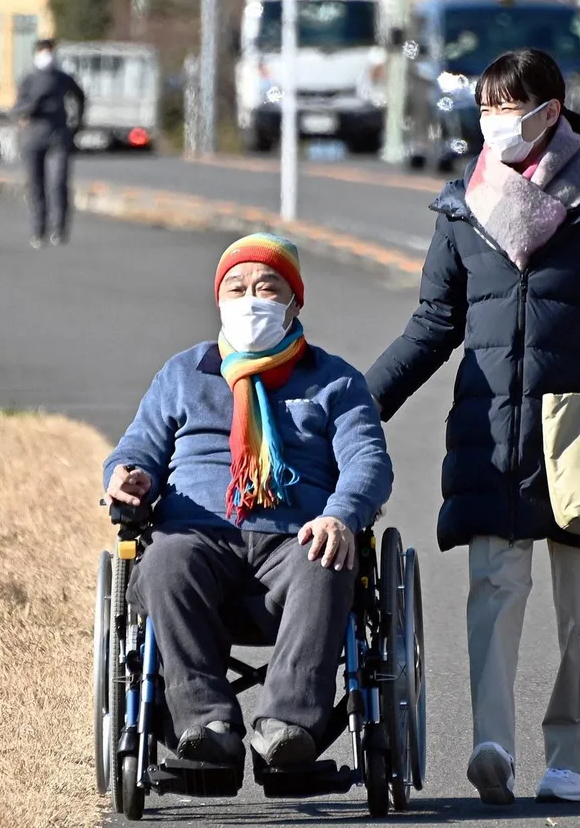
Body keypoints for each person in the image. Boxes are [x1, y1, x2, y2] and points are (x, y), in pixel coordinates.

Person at [365, 49, 580, 805]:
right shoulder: (463, 207)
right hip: (493, 435)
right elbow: (432, 327)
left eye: (509, 106)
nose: (495, 122)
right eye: (486, 108)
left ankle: (572, 755)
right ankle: (492, 744)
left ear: (551, 110)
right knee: (493, 595)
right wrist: (357, 401)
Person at [103, 233, 392, 769]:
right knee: (164, 560)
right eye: (235, 289)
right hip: (197, 539)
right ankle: (205, 723)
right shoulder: (183, 374)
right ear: (218, 301)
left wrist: (340, 515)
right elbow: (137, 448)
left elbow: (368, 462)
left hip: (296, 542)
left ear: (294, 302)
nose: (250, 300)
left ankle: (286, 725)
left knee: (328, 560)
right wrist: (127, 477)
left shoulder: (335, 382)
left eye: (266, 287)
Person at [12, 39, 86, 249]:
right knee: (36, 185)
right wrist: (27, 111)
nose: (47, 56)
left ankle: (59, 230)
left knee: (58, 183)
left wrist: (77, 124)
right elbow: (17, 107)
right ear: (36, 55)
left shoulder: (63, 78)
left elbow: (80, 96)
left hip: (58, 138)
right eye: (43, 52)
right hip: (32, 139)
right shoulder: (28, 79)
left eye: (50, 52)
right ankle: (38, 231)